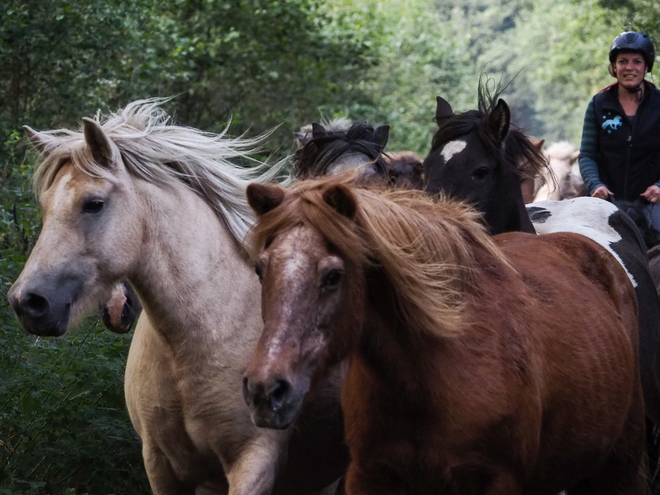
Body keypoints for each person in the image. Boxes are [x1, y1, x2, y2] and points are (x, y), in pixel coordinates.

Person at [579, 31, 660, 230]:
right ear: (614, 67)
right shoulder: (598, 104)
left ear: (646, 67)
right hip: (608, 201)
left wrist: (659, 186)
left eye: (637, 62)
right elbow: (587, 155)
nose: (629, 68)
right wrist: (595, 184)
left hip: (652, 203)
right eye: (623, 61)